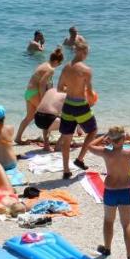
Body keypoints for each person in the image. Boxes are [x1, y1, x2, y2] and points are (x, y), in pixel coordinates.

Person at [88, 127, 130, 259]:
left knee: (109, 221)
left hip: (110, 191)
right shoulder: (129, 153)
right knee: (127, 223)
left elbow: (90, 146)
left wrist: (104, 136)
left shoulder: (106, 153)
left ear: (110, 140)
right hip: (125, 191)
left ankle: (107, 248)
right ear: (123, 139)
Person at [57, 40, 98, 179]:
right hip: (80, 106)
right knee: (93, 131)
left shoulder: (65, 67)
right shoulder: (86, 70)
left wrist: (72, 88)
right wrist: (90, 96)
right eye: (87, 52)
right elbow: (91, 93)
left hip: (68, 105)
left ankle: (66, 170)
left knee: (67, 139)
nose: (87, 55)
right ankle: (80, 159)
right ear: (83, 52)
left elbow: (59, 88)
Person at [16, 47, 64, 144]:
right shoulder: (51, 69)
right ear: (56, 61)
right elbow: (42, 84)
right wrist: (44, 99)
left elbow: (45, 83)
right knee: (45, 114)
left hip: (29, 93)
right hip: (34, 93)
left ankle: (18, 138)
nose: (58, 66)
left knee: (29, 117)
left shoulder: (43, 64)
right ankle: (46, 143)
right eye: (59, 63)